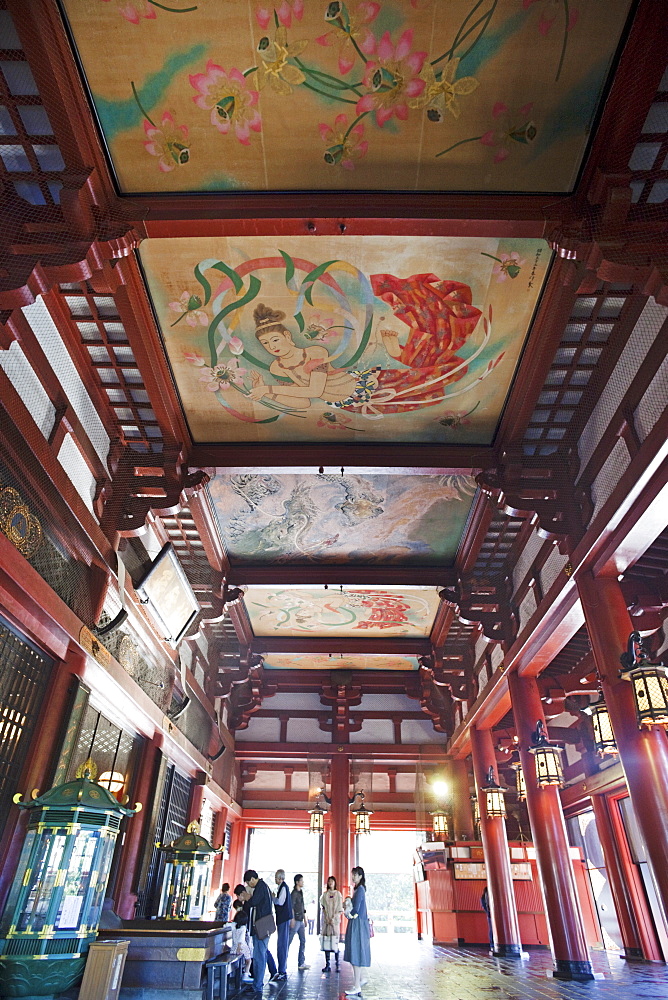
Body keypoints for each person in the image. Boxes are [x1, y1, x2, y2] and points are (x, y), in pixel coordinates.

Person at [244, 869, 274, 997]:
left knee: (259, 956)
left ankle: (258, 986)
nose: (248, 885)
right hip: (262, 924)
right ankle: (257, 984)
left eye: (247, 882)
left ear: (252, 879)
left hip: (263, 925)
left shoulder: (260, 887)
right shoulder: (263, 886)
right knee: (258, 954)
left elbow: (253, 902)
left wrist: (247, 898)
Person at [343, 866, 371, 996]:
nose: (353, 877)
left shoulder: (360, 890)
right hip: (359, 924)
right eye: (352, 874)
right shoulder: (359, 889)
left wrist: (347, 914)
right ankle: (362, 978)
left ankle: (357, 986)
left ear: (360, 876)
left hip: (357, 925)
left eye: (355, 875)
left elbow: (356, 910)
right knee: (358, 952)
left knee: (356, 954)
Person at [319, 875, 343, 973]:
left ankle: (337, 964)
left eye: (332, 881)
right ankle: (327, 964)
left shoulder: (338, 894)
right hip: (327, 922)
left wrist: (333, 918)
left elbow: (339, 908)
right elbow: (323, 907)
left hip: (335, 922)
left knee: (335, 942)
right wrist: (327, 917)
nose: (330, 883)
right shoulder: (324, 895)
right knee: (326, 942)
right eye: (329, 881)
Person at [273, 868, 292, 980]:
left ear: (280, 878)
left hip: (283, 919)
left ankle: (282, 970)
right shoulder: (282, 888)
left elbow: (280, 902)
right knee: (281, 943)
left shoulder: (284, 888)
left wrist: (272, 897)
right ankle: (281, 969)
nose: (275, 879)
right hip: (282, 919)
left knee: (282, 944)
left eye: (276, 877)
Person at [288, 873, 310, 970]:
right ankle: (283, 963)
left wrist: (305, 918)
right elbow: (291, 907)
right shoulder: (294, 894)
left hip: (301, 920)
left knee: (303, 941)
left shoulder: (301, 892)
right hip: (295, 920)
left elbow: (302, 907)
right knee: (289, 941)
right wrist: (292, 919)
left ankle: (301, 962)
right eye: (301, 880)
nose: (303, 882)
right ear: (297, 882)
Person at [231, 899, 253, 983]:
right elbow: (241, 939)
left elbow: (226, 925)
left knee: (240, 961)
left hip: (234, 946)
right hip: (242, 946)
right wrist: (240, 947)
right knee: (248, 960)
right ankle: (246, 974)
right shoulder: (243, 928)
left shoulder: (233, 925)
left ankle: (240, 974)